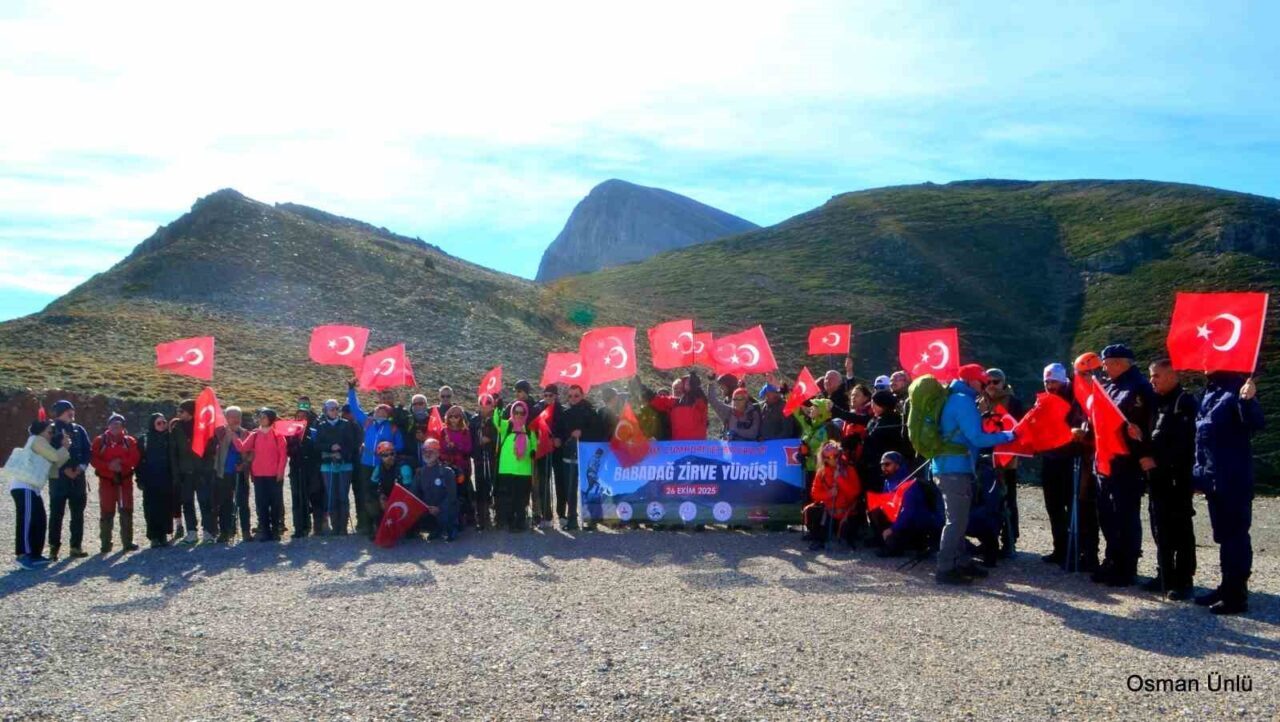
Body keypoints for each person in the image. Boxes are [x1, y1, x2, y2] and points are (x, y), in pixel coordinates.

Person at [931, 364, 1015, 585]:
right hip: (955, 468)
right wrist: (1008, 436)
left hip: (948, 466)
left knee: (958, 519)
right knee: (956, 521)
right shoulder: (963, 401)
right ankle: (945, 568)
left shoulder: (955, 398)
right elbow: (976, 438)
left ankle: (962, 561)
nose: (985, 385)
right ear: (970, 380)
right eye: (981, 381)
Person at [1193, 373, 1264, 615]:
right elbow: (1202, 439)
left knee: (1235, 537)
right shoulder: (1211, 390)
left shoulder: (1237, 388)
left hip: (1234, 478)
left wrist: (1248, 401)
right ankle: (1226, 586)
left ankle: (1236, 595)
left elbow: (1255, 423)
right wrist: (1198, 475)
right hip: (1214, 478)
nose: (1204, 362)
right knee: (1224, 536)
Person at [1090, 344, 1155, 587]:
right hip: (1106, 460)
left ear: (1119, 363)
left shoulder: (1139, 387)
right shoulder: (1109, 386)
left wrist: (1144, 451)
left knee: (1125, 515)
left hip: (1127, 462)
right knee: (1107, 514)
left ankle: (1126, 567)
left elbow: (1148, 423)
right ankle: (1112, 559)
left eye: (1106, 363)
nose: (1104, 368)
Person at [1144, 359, 1199, 600]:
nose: (1152, 380)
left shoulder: (1184, 402)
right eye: (1151, 375)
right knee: (1159, 526)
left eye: (1156, 375)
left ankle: (1183, 580)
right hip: (1157, 477)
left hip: (1177, 476)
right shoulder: (1157, 401)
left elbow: (1186, 443)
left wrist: (1158, 461)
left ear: (1172, 375)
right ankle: (1164, 574)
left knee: (1180, 528)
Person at [1038, 364, 1093, 569]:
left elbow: (1082, 422)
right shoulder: (1044, 399)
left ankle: (1077, 551)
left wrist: (1076, 432)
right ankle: (1060, 549)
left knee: (1074, 506)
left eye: (1054, 381)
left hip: (1071, 458)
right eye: (1047, 382)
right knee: (1053, 506)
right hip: (1050, 456)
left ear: (1063, 380)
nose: (1050, 385)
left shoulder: (1076, 397)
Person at [347, 383, 405, 536]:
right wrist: (351, 390)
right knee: (367, 494)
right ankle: (369, 525)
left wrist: (388, 449)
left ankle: (385, 525)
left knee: (383, 495)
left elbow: (400, 445)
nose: (380, 411)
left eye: (384, 410)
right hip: (366, 464)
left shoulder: (392, 427)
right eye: (378, 409)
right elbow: (354, 409)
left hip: (383, 466)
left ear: (388, 414)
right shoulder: (368, 422)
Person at [8, 420, 67, 568]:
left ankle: (35, 554)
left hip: (32, 488)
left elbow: (54, 466)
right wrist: (64, 447)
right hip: (24, 486)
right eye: (50, 431)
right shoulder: (37, 439)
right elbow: (55, 457)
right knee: (26, 520)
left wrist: (64, 451)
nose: (52, 434)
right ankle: (23, 555)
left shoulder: (42, 443)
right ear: (41, 431)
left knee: (39, 519)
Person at [981, 368, 1025, 558]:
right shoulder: (979, 401)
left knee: (1008, 500)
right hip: (984, 459)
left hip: (1007, 459)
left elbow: (1018, 429)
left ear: (1003, 383)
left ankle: (1009, 540)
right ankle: (988, 539)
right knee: (986, 500)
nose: (991, 385)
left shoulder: (1013, 402)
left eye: (995, 381)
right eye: (987, 382)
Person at [871, 451, 944, 557]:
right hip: (902, 520)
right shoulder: (888, 481)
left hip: (917, 523)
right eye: (882, 465)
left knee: (894, 542)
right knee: (875, 510)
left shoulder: (909, 482)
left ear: (897, 465)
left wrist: (892, 529)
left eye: (887, 464)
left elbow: (908, 511)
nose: (883, 468)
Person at [232, 408, 288, 542]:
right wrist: (233, 435)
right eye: (260, 417)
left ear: (270, 419)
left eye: (264, 417)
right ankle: (265, 531)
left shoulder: (278, 436)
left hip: (274, 475)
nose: (261, 419)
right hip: (259, 475)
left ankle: (276, 530)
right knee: (261, 503)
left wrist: (280, 472)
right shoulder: (254, 435)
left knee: (275, 503)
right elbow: (242, 447)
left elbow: (283, 456)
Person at [89, 413, 141, 553]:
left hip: (124, 482)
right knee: (107, 511)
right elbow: (93, 459)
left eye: (118, 424)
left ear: (123, 427)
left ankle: (127, 542)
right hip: (107, 482)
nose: (115, 427)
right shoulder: (100, 441)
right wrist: (109, 466)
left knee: (126, 510)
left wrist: (120, 462)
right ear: (108, 425)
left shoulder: (129, 441)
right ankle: (105, 544)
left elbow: (135, 458)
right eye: (112, 424)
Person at [46, 400, 91, 560]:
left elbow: (87, 451)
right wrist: (65, 469)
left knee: (78, 514)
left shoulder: (79, 429)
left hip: (78, 478)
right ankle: (54, 548)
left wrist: (80, 468)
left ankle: (76, 547)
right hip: (59, 480)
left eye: (72, 410)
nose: (72, 413)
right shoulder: (50, 430)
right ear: (60, 412)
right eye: (68, 410)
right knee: (56, 514)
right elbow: (48, 453)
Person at [168, 400, 216, 545]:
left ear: (190, 412)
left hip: (201, 472)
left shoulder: (203, 427)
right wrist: (176, 473)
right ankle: (191, 533)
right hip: (185, 473)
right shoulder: (176, 428)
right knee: (187, 503)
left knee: (205, 502)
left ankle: (208, 532)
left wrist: (206, 469)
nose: (178, 414)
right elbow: (173, 453)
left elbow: (211, 449)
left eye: (181, 411)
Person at [553, 385, 601, 530]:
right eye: (570, 396)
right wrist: (557, 439)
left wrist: (583, 433)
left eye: (576, 395)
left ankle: (592, 520)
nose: (573, 398)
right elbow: (559, 432)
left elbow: (598, 433)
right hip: (568, 456)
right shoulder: (565, 413)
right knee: (570, 489)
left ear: (582, 395)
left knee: (589, 488)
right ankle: (572, 519)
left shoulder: (591, 413)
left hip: (587, 458)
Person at [801, 441, 861, 551]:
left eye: (835, 456)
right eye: (828, 457)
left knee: (847, 533)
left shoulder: (850, 470)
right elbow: (814, 494)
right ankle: (818, 538)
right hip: (829, 512)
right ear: (824, 459)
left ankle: (844, 538)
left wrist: (840, 480)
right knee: (811, 511)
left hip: (847, 513)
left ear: (840, 455)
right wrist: (829, 494)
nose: (832, 460)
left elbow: (855, 492)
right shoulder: (821, 473)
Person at [313, 399, 361, 535]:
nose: (334, 411)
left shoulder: (346, 424)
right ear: (325, 411)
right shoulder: (321, 426)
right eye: (331, 409)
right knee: (331, 495)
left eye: (336, 408)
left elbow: (353, 443)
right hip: (327, 465)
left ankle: (343, 527)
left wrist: (342, 453)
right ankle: (335, 527)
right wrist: (330, 447)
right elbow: (317, 445)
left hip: (345, 464)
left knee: (343, 494)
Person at [858, 390, 913, 491]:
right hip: (874, 465)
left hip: (884, 466)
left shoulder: (891, 421)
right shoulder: (876, 419)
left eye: (875, 404)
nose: (872, 407)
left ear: (884, 405)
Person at [495, 400, 535, 531]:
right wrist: (498, 409)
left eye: (522, 413)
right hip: (507, 469)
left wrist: (533, 450)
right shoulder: (506, 426)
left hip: (523, 470)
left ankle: (520, 522)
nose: (518, 415)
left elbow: (534, 443)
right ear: (512, 412)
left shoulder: (529, 429)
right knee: (509, 497)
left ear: (525, 413)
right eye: (516, 412)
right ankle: (510, 522)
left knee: (521, 498)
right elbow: (496, 421)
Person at [136, 413, 174, 549]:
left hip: (166, 478)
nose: (162, 425)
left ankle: (163, 536)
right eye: (159, 423)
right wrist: (139, 479)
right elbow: (138, 461)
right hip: (150, 480)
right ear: (152, 424)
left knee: (166, 507)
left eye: (164, 422)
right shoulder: (144, 439)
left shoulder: (169, 438)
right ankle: (153, 537)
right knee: (151, 509)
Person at [286, 403, 323, 539]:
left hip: (312, 468)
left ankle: (318, 527)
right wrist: (293, 446)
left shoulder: (314, 431)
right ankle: (300, 527)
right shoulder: (291, 432)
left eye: (303, 416)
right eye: (298, 416)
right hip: (296, 468)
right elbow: (286, 449)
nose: (301, 418)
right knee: (298, 498)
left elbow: (318, 448)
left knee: (315, 497)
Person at [215, 407, 250, 542]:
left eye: (238, 416)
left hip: (240, 473)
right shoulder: (220, 432)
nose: (236, 419)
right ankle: (225, 531)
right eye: (232, 416)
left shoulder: (246, 433)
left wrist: (244, 463)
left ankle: (246, 531)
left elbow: (251, 453)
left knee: (243, 503)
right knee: (224, 503)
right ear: (226, 418)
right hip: (224, 473)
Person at [416, 438, 460, 541]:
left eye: (430, 451)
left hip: (443, 508)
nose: (427, 454)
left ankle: (451, 528)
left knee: (451, 506)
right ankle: (434, 528)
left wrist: (439, 508)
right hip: (428, 508)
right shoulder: (420, 472)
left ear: (437, 453)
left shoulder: (447, 472)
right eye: (425, 451)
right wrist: (424, 507)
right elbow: (414, 493)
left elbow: (452, 495)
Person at [529, 385, 559, 528]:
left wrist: (558, 438)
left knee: (557, 483)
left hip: (557, 450)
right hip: (542, 449)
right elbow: (532, 427)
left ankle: (560, 515)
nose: (547, 398)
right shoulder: (537, 408)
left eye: (550, 395)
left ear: (556, 396)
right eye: (545, 395)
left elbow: (563, 427)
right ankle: (544, 515)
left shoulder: (561, 409)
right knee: (542, 483)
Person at [645, 373, 708, 441]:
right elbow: (656, 400)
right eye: (675, 388)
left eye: (680, 388)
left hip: (696, 445)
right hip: (676, 445)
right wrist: (642, 389)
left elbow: (700, 400)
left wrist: (695, 388)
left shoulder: (699, 401)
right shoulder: (672, 402)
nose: (678, 390)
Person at [371, 440, 416, 533]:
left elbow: (409, 491)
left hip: (402, 499)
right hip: (387, 497)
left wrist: (392, 502)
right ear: (380, 457)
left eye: (392, 454)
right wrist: (380, 496)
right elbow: (371, 486)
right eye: (385, 455)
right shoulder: (378, 469)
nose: (389, 457)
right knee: (372, 502)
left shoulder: (404, 468)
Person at [470, 394, 500, 530]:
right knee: (481, 487)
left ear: (492, 404)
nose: (484, 405)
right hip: (480, 458)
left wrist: (491, 439)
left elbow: (501, 435)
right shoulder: (474, 420)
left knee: (497, 486)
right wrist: (476, 447)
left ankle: (499, 515)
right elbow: (470, 439)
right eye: (481, 403)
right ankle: (482, 517)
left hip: (494, 458)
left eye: (488, 402)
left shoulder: (497, 418)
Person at [441, 405, 474, 527]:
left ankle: (466, 516)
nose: (453, 419)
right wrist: (447, 448)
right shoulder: (444, 431)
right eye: (451, 417)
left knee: (463, 491)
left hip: (463, 466)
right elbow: (441, 448)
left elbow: (469, 448)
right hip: (449, 466)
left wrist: (456, 446)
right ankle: (453, 517)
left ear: (461, 418)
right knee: (451, 492)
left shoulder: (465, 431)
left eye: (456, 417)